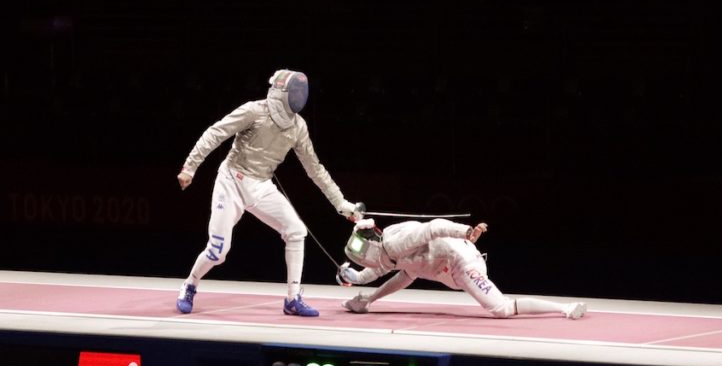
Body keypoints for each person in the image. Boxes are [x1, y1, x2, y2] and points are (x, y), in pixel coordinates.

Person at [176, 69, 363, 316]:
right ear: (281, 92)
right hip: (231, 181)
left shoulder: (298, 127)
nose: (299, 96)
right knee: (218, 251)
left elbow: (315, 169)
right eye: (295, 91)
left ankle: (293, 299)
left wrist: (342, 204)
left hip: (261, 186)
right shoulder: (254, 110)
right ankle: (189, 284)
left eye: (301, 92)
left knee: (296, 231)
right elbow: (216, 132)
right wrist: (190, 166)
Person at [337, 218, 586, 319]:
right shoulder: (386, 250)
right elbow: (381, 267)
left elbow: (432, 227)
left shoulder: (395, 243)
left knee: (502, 309)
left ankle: (565, 308)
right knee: (409, 271)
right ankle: (368, 301)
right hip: (437, 266)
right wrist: (357, 278)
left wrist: (467, 232)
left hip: (460, 262)